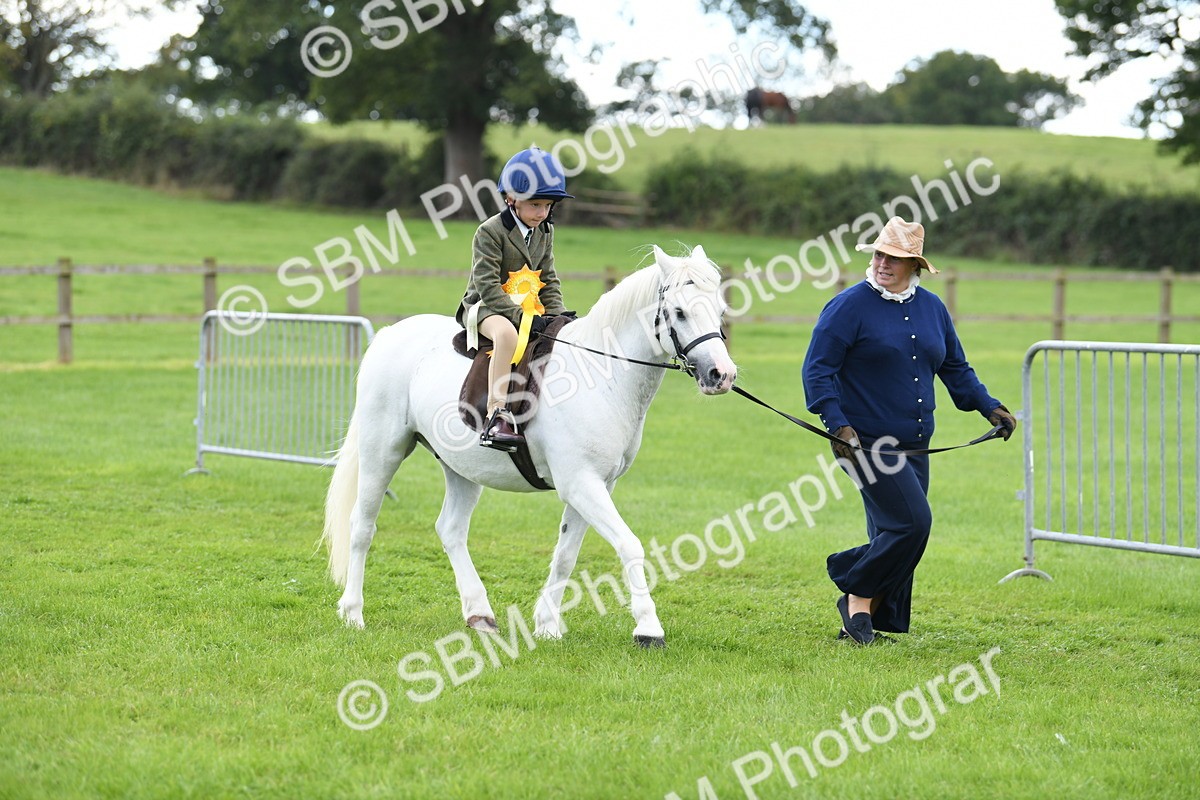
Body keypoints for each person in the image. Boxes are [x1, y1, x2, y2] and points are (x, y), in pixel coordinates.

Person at [802, 216, 1017, 645]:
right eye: (880, 253)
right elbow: (817, 370)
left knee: (890, 532)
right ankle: (854, 591)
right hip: (863, 443)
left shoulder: (932, 308)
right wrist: (837, 427)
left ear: (915, 265)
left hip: (916, 444)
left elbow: (955, 368)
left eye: (895, 257)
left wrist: (989, 406)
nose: (883, 262)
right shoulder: (848, 306)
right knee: (913, 524)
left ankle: (859, 622)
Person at [457, 146, 573, 451]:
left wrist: (559, 316)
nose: (541, 213)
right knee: (507, 336)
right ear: (511, 199)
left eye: (547, 205)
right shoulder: (490, 232)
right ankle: (496, 414)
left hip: (528, 308)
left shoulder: (545, 231)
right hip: (486, 307)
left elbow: (548, 278)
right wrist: (520, 317)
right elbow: (486, 285)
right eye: (535, 204)